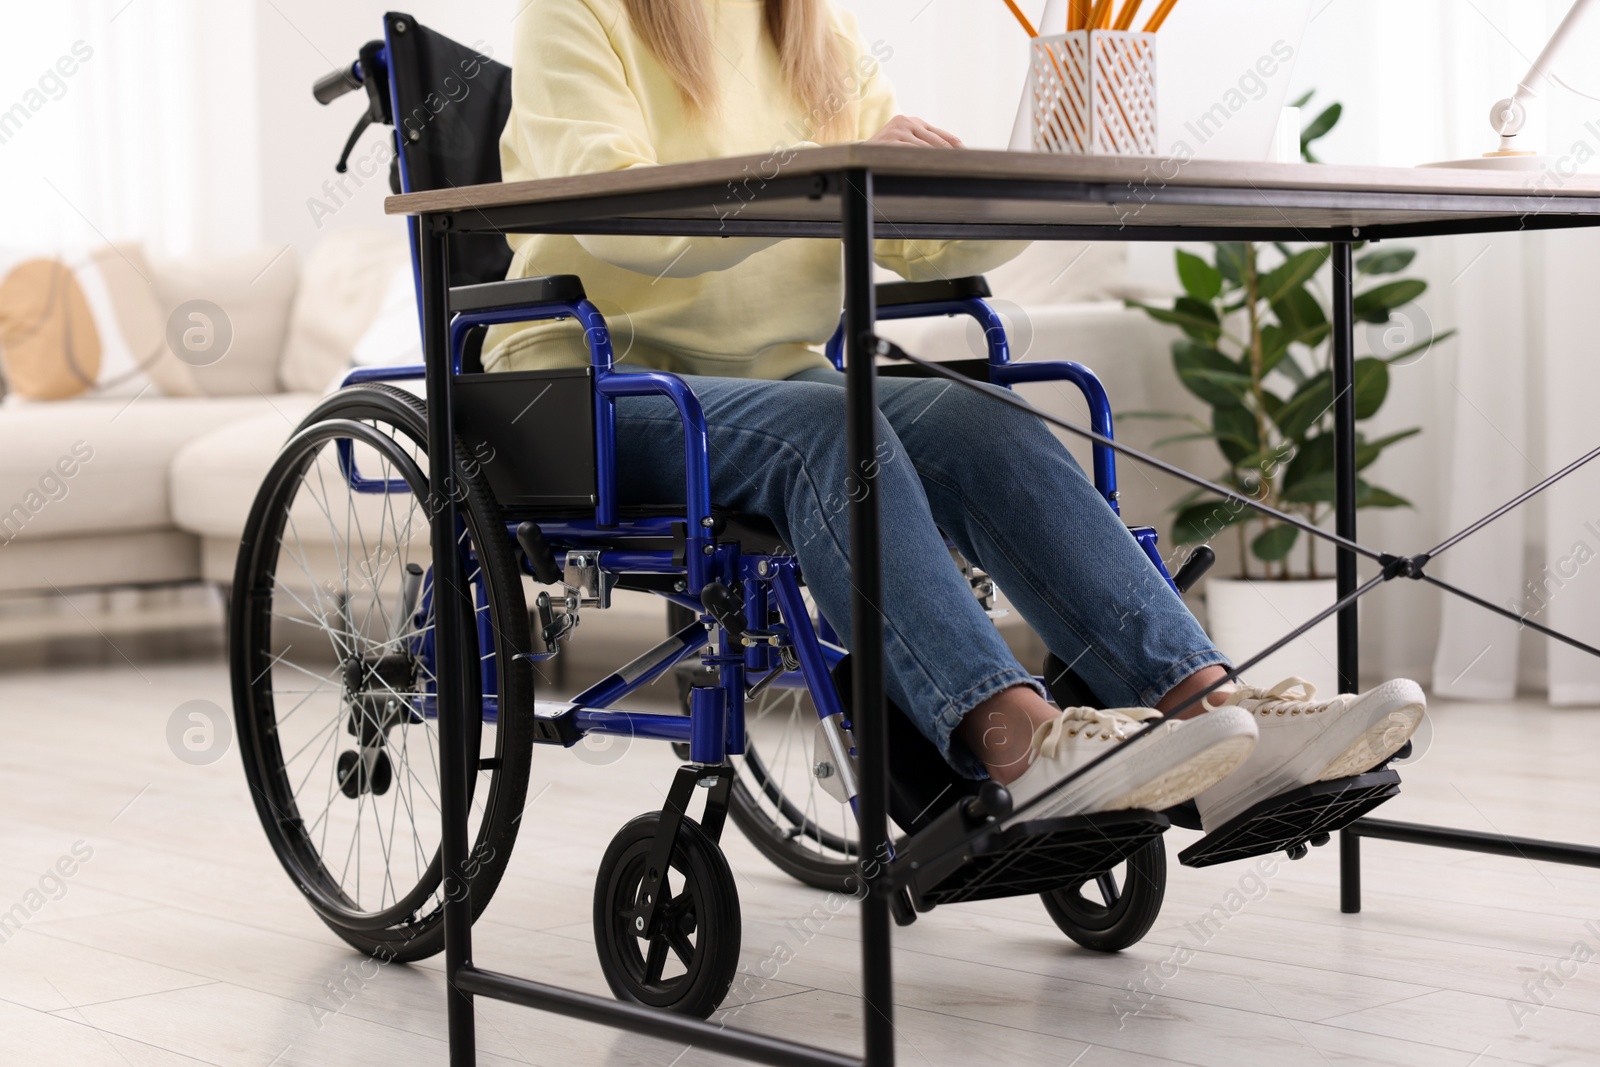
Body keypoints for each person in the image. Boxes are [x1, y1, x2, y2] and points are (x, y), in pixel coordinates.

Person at [486, 0, 1425, 829]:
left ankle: (1207, 711)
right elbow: (613, 217)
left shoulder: (814, 30)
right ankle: (1017, 740)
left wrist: (1036, 181)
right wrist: (819, 164)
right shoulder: (578, 11)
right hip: (595, 391)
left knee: (983, 421)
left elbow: (916, 236)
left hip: (773, 381)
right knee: (834, 434)